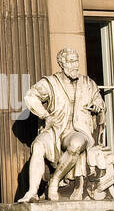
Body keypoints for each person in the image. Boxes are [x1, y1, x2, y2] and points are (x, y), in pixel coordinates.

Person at [19, 47, 106, 201]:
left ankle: (54, 182)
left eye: (76, 61)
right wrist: (45, 115)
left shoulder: (88, 83)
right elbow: (31, 96)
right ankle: (32, 192)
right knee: (37, 146)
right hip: (55, 129)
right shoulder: (50, 82)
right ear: (61, 63)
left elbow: (99, 102)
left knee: (77, 143)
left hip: (79, 130)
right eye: (71, 62)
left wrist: (98, 107)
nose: (75, 65)